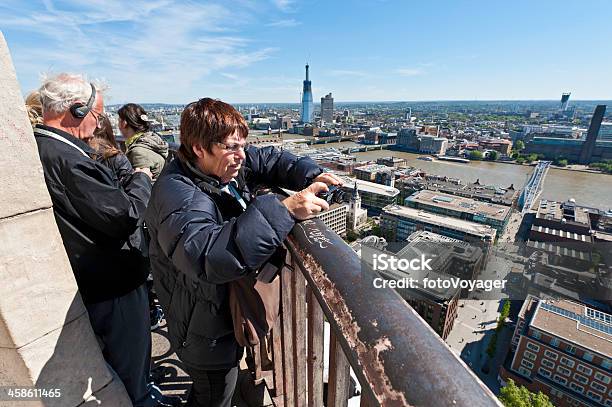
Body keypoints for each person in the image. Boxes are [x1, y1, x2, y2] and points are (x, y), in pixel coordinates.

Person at [145, 97, 342, 407]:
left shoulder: (214, 166)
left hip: (215, 315)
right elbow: (210, 255)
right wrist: (284, 209)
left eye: (243, 146)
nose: (241, 156)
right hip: (203, 330)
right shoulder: (177, 194)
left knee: (210, 391)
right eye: (232, 148)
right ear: (199, 147)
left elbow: (272, 159)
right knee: (214, 395)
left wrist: (312, 175)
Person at [33, 73, 179, 407]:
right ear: (77, 110)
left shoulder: (47, 148)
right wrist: (141, 179)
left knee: (122, 363)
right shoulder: (67, 159)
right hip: (113, 285)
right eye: (97, 116)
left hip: (94, 279)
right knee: (131, 367)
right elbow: (122, 216)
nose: (99, 126)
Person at [118, 103, 169, 179]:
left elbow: (141, 184)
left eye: (119, 121)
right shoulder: (151, 140)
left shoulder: (138, 152)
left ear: (124, 123)